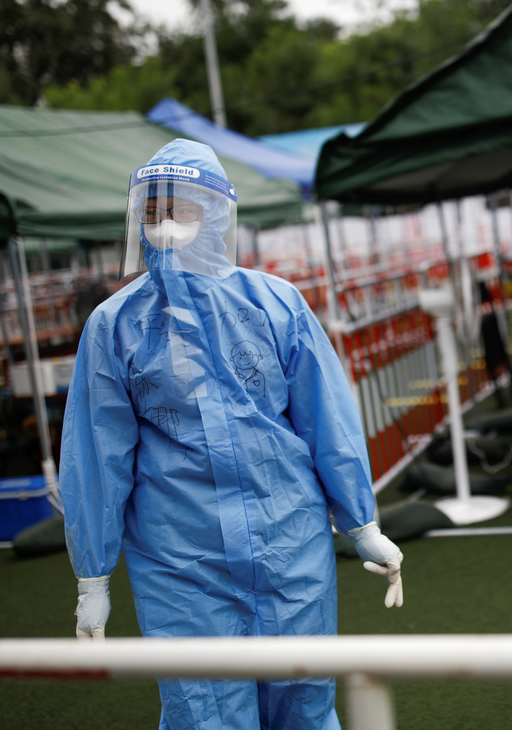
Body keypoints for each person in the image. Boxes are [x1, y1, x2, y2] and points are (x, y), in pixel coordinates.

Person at [60, 139, 403, 730]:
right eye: (152, 211)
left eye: (182, 209)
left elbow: (327, 419)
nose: (165, 224)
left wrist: (362, 522)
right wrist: (92, 576)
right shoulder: (115, 325)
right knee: (204, 710)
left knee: (303, 696)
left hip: (289, 540)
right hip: (180, 559)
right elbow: (96, 455)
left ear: (216, 214)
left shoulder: (274, 303)